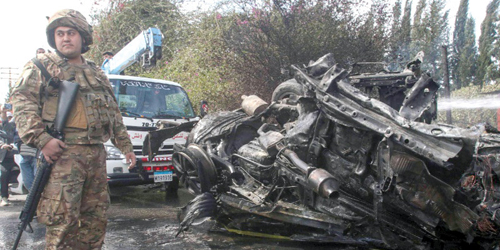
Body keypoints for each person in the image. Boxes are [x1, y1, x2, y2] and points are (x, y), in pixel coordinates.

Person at [11, 9, 136, 249]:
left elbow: (113, 112)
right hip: (63, 156)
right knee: (62, 222)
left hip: (96, 155)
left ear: (83, 38)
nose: (65, 38)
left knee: (95, 220)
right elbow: (22, 104)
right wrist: (41, 139)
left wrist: (126, 146)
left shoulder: (97, 73)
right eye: (60, 33)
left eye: (71, 33)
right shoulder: (42, 66)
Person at [0, 108, 17, 206]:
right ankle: (4, 197)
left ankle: (4, 196)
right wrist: (2, 145)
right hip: (2, 156)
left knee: (7, 175)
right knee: (4, 175)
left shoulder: (11, 126)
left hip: (12, 155)